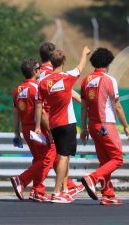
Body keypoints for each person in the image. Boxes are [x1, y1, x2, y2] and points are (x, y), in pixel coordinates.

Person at [35, 46, 91, 203]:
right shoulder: (67, 77)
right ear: (63, 62)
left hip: (53, 123)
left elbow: (39, 104)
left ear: (50, 62)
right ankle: (57, 192)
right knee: (63, 157)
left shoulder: (43, 81)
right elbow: (81, 66)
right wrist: (83, 53)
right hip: (67, 122)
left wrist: (38, 125)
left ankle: (65, 189)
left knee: (62, 156)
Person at [80, 48, 129, 205]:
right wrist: (125, 125)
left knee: (105, 161)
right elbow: (117, 106)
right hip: (106, 125)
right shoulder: (109, 80)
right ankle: (92, 178)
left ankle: (108, 195)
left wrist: (84, 128)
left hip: (93, 125)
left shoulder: (86, 80)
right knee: (117, 158)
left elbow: (83, 107)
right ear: (108, 63)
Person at [11, 59, 55, 202]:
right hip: (38, 129)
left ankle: (37, 191)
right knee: (47, 158)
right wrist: (50, 131)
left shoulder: (17, 89)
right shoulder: (37, 88)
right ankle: (21, 180)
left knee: (38, 159)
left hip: (25, 128)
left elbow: (16, 112)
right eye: (39, 69)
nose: (41, 70)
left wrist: (16, 132)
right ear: (35, 71)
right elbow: (41, 112)